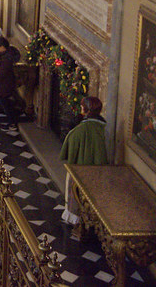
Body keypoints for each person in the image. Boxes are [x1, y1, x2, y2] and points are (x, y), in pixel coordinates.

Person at [59, 95, 109, 225]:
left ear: (86, 110)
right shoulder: (104, 127)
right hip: (98, 168)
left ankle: (73, 217)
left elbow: (70, 151)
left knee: (74, 190)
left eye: (82, 107)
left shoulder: (79, 130)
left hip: (80, 167)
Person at [0, 36, 18, 129]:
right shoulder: (4, 54)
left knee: (5, 105)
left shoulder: (6, 59)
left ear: (2, 46)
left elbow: (1, 73)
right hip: (0, 85)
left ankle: (12, 124)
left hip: (3, 86)